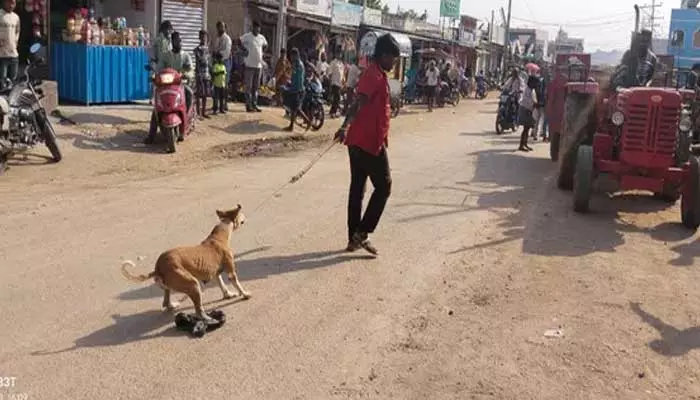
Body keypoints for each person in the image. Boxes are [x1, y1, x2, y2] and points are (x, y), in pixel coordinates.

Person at [333, 34, 401, 255]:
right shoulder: (373, 75)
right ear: (383, 55)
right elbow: (358, 102)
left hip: (359, 141)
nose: (394, 63)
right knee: (384, 186)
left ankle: (354, 237)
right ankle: (362, 233)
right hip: (368, 142)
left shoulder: (377, 73)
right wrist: (345, 126)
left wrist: (346, 129)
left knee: (358, 189)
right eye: (393, 58)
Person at [146, 31, 194, 144]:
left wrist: (187, 74)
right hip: (166, 85)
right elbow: (159, 68)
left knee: (189, 92)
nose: (178, 42)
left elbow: (191, 70)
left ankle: (185, 116)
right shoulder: (166, 55)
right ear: (172, 42)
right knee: (157, 106)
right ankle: (151, 135)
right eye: (176, 40)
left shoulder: (185, 56)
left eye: (179, 40)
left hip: (180, 84)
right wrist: (154, 75)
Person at [240, 21, 268, 112]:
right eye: (256, 28)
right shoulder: (247, 36)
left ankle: (254, 104)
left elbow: (265, 45)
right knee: (248, 86)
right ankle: (248, 105)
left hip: (258, 66)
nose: (257, 29)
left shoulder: (261, 38)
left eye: (259, 28)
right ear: (253, 28)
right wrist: (244, 50)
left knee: (256, 87)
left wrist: (262, 53)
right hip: (249, 65)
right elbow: (238, 41)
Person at [283, 48, 307, 132]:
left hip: (297, 90)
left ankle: (308, 121)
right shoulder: (297, 64)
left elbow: (298, 79)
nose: (291, 58)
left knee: (297, 109)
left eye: (292, 56)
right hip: (296, 88)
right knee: (294, 109)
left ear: (296, 55)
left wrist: (291, 86)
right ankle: (291, 126)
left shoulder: (298, 65)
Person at [211, 21, 232, 111]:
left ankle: (224, 104)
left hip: (224, 62)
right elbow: (213, 49)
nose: (221, 29)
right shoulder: (217, 38)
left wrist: (218, 54)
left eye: (223, 27)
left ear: (225, 28)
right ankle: (216, 104)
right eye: (219, 27)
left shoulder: (227, 39)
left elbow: (227, 52)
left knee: (224, 84)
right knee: (216, 84)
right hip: (216, 63)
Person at [518, 75, 540, 152]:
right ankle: (521, 145)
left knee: (527, 129)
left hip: (529, 110)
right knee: (525, 129)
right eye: (535, 83)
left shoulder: (531, 90)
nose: (536, 85)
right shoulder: (527, 90)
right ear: (531, 82)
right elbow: (528, 101)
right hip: (526, 110)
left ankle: (525, 144)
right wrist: (535, 104)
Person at [0, 0, 19, 88]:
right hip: (2, 55)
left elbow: (17, 32)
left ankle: (10, 101)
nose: (12, 5)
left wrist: (15, 43)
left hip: (13, 55)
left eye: (13, 3)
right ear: (4, 2)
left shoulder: (16, 17)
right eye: (10, 2)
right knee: (2, 82)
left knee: (13, 82)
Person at [193, 30, 211, 119]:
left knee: (205, 94)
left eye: (205, 37)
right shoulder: (197, 49)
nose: (204, 38)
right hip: (199, 73)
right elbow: (200, 61)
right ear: (199, 37)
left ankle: (203, 112)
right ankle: (198, 113)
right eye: (202, 37)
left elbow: (208, 62)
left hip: (206, 74)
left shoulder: (207, 49)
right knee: (199, 94)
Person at [328, 52, 345, 118]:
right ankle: (333, 112)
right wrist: (330, 82)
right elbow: (330, 73)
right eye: (338, 53)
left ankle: (332, 111)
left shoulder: (341, 64)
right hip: (334, 82)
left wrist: (344, 82)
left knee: (337, 98)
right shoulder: (333, 62)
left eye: (340, 54)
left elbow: (342, 74)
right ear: (336, 54)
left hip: (340, 83)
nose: (339, 55)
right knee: (336, 98)